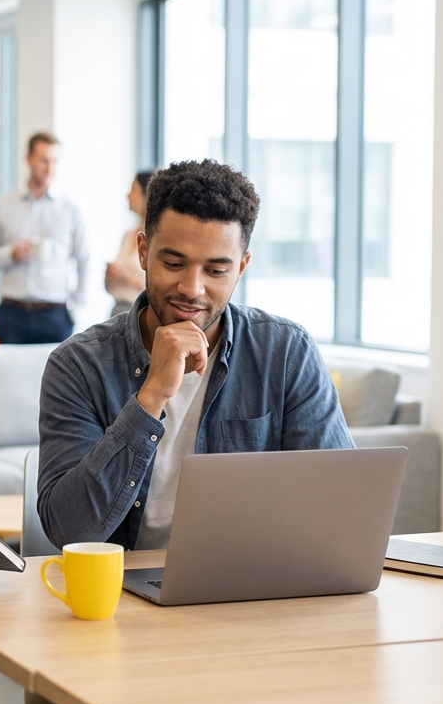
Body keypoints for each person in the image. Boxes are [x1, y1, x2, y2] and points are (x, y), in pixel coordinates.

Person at [37, 159, 354, 550]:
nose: (192, 289)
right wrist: (150, 397)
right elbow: (70, 532)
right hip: (121, 592)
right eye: (173, 264)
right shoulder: (78, 365)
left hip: (250, 588)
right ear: (142, 250)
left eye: (216, 271)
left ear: (242, 267)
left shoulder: (287, 353)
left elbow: (338, 509)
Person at [0, 131, 90, 344]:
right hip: (12, 314)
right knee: (8, 377)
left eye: (54, 161)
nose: (49, 168)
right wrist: (11, 253)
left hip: (55, 315)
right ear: (28, 159)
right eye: (43, 160)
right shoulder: (4, 205)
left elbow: (84, 261)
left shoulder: (70, 210)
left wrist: (76, 310)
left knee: (60, 378)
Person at [105, 170, 154, 317]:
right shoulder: (128, 236)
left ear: (147, 196)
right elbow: (113, 288)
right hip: (117, 311)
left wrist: (128, 278)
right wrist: (110, 277)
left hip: (140, 312)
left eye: (133, 190)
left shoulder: (157, 239)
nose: (128, 196)